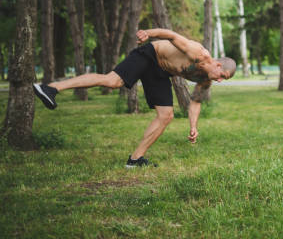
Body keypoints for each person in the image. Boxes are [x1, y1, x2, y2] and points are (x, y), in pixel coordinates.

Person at [33, 28, 236, 168]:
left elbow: (196, 102)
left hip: (161, 71)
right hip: (149, 54)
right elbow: (171, 35)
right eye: (222, 76)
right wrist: (149, 33)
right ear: (218, 66)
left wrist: (193, 126)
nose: (220, 81)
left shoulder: (206, 78)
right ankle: (51, 88)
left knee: (166, 116)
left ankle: (135, 159)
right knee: (113, 81)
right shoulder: (198, 53)